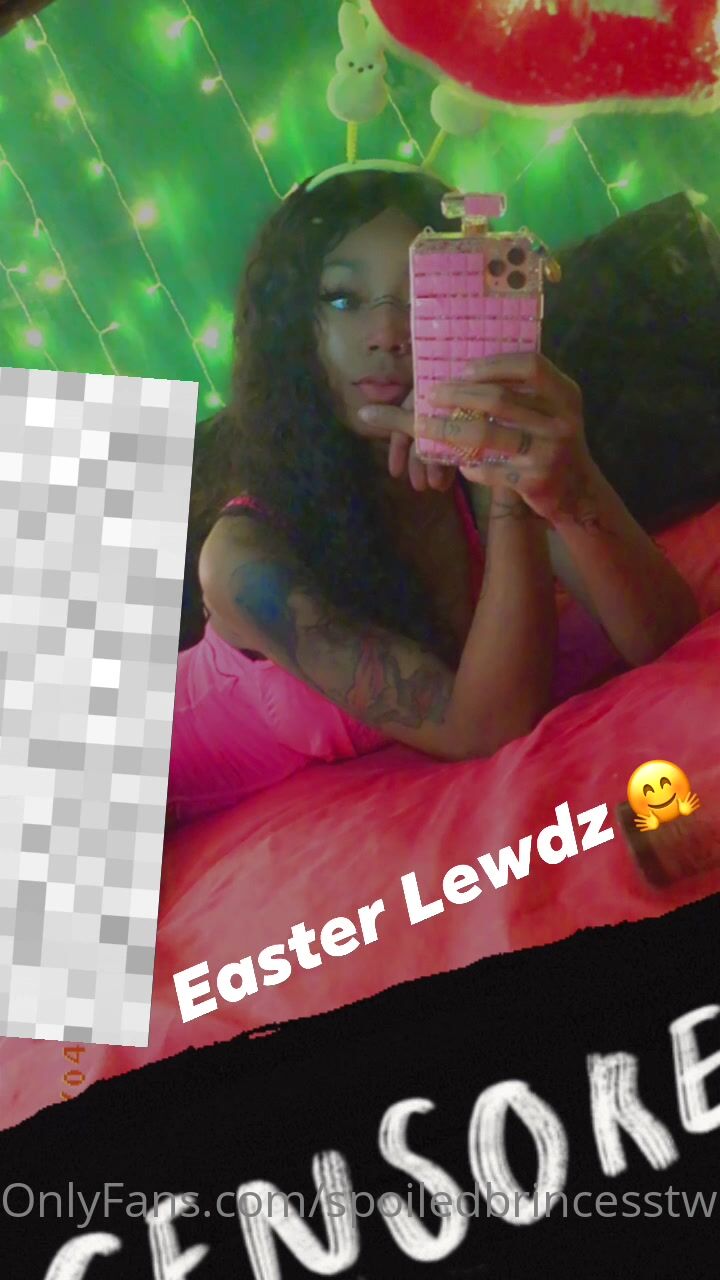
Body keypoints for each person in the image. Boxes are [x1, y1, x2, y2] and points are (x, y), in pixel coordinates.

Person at [168, 169, 698, 826]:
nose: (388, 332)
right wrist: (504, 490)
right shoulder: (242, 560)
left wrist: (569, 475)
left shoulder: (466, 456)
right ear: (290, 331)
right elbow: (483, 727)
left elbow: (665, 635)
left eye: (421, 293)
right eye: (343, 298)